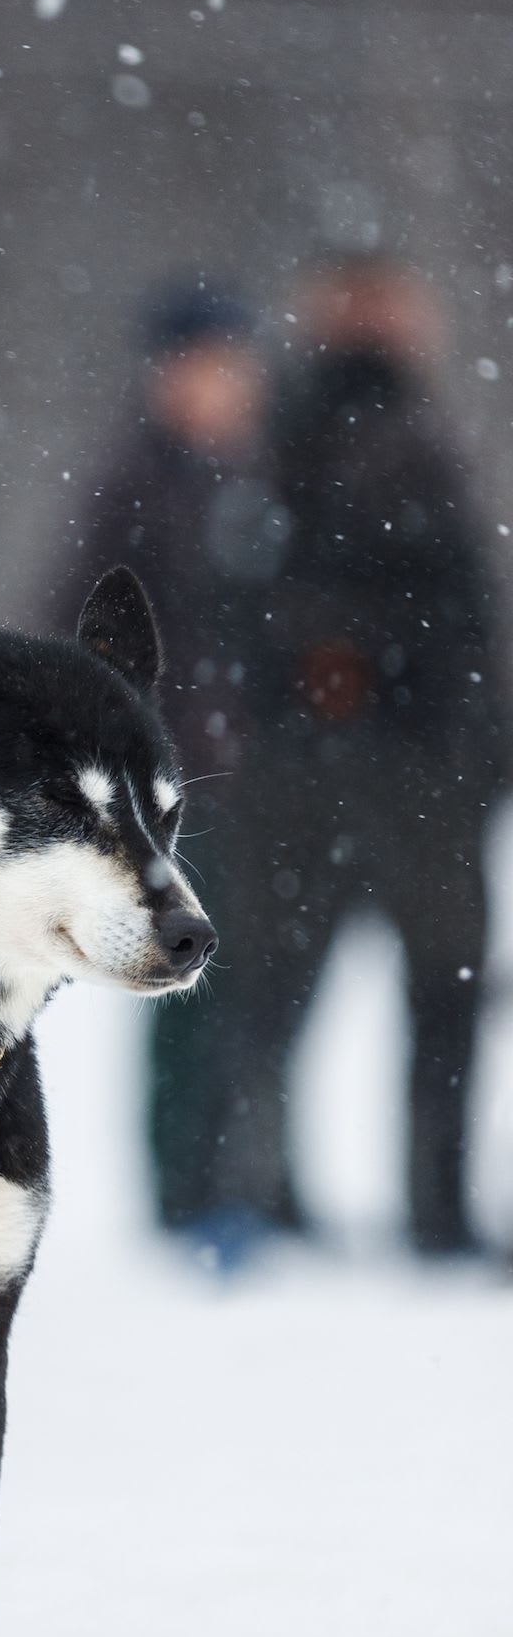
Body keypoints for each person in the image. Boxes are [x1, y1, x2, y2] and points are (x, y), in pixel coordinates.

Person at [233, 253, 507, 1258]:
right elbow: (279, 602)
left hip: (387, 755)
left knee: (293, 986)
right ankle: (302, 1192)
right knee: (400, 987)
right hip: (381, 759)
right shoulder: (323, 437)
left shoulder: (320, 434)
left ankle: (278, 1188)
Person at [52, 277, 287, 1259]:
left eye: (238, 365)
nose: (229, 385)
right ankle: (185, 1189)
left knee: (257, 982)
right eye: (209, 367)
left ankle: (251, 1178)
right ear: (168, 374)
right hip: (171, 777)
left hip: (248, 765)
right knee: (187, 984)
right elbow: (74, 623)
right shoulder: (135, 482)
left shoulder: (250, 473)